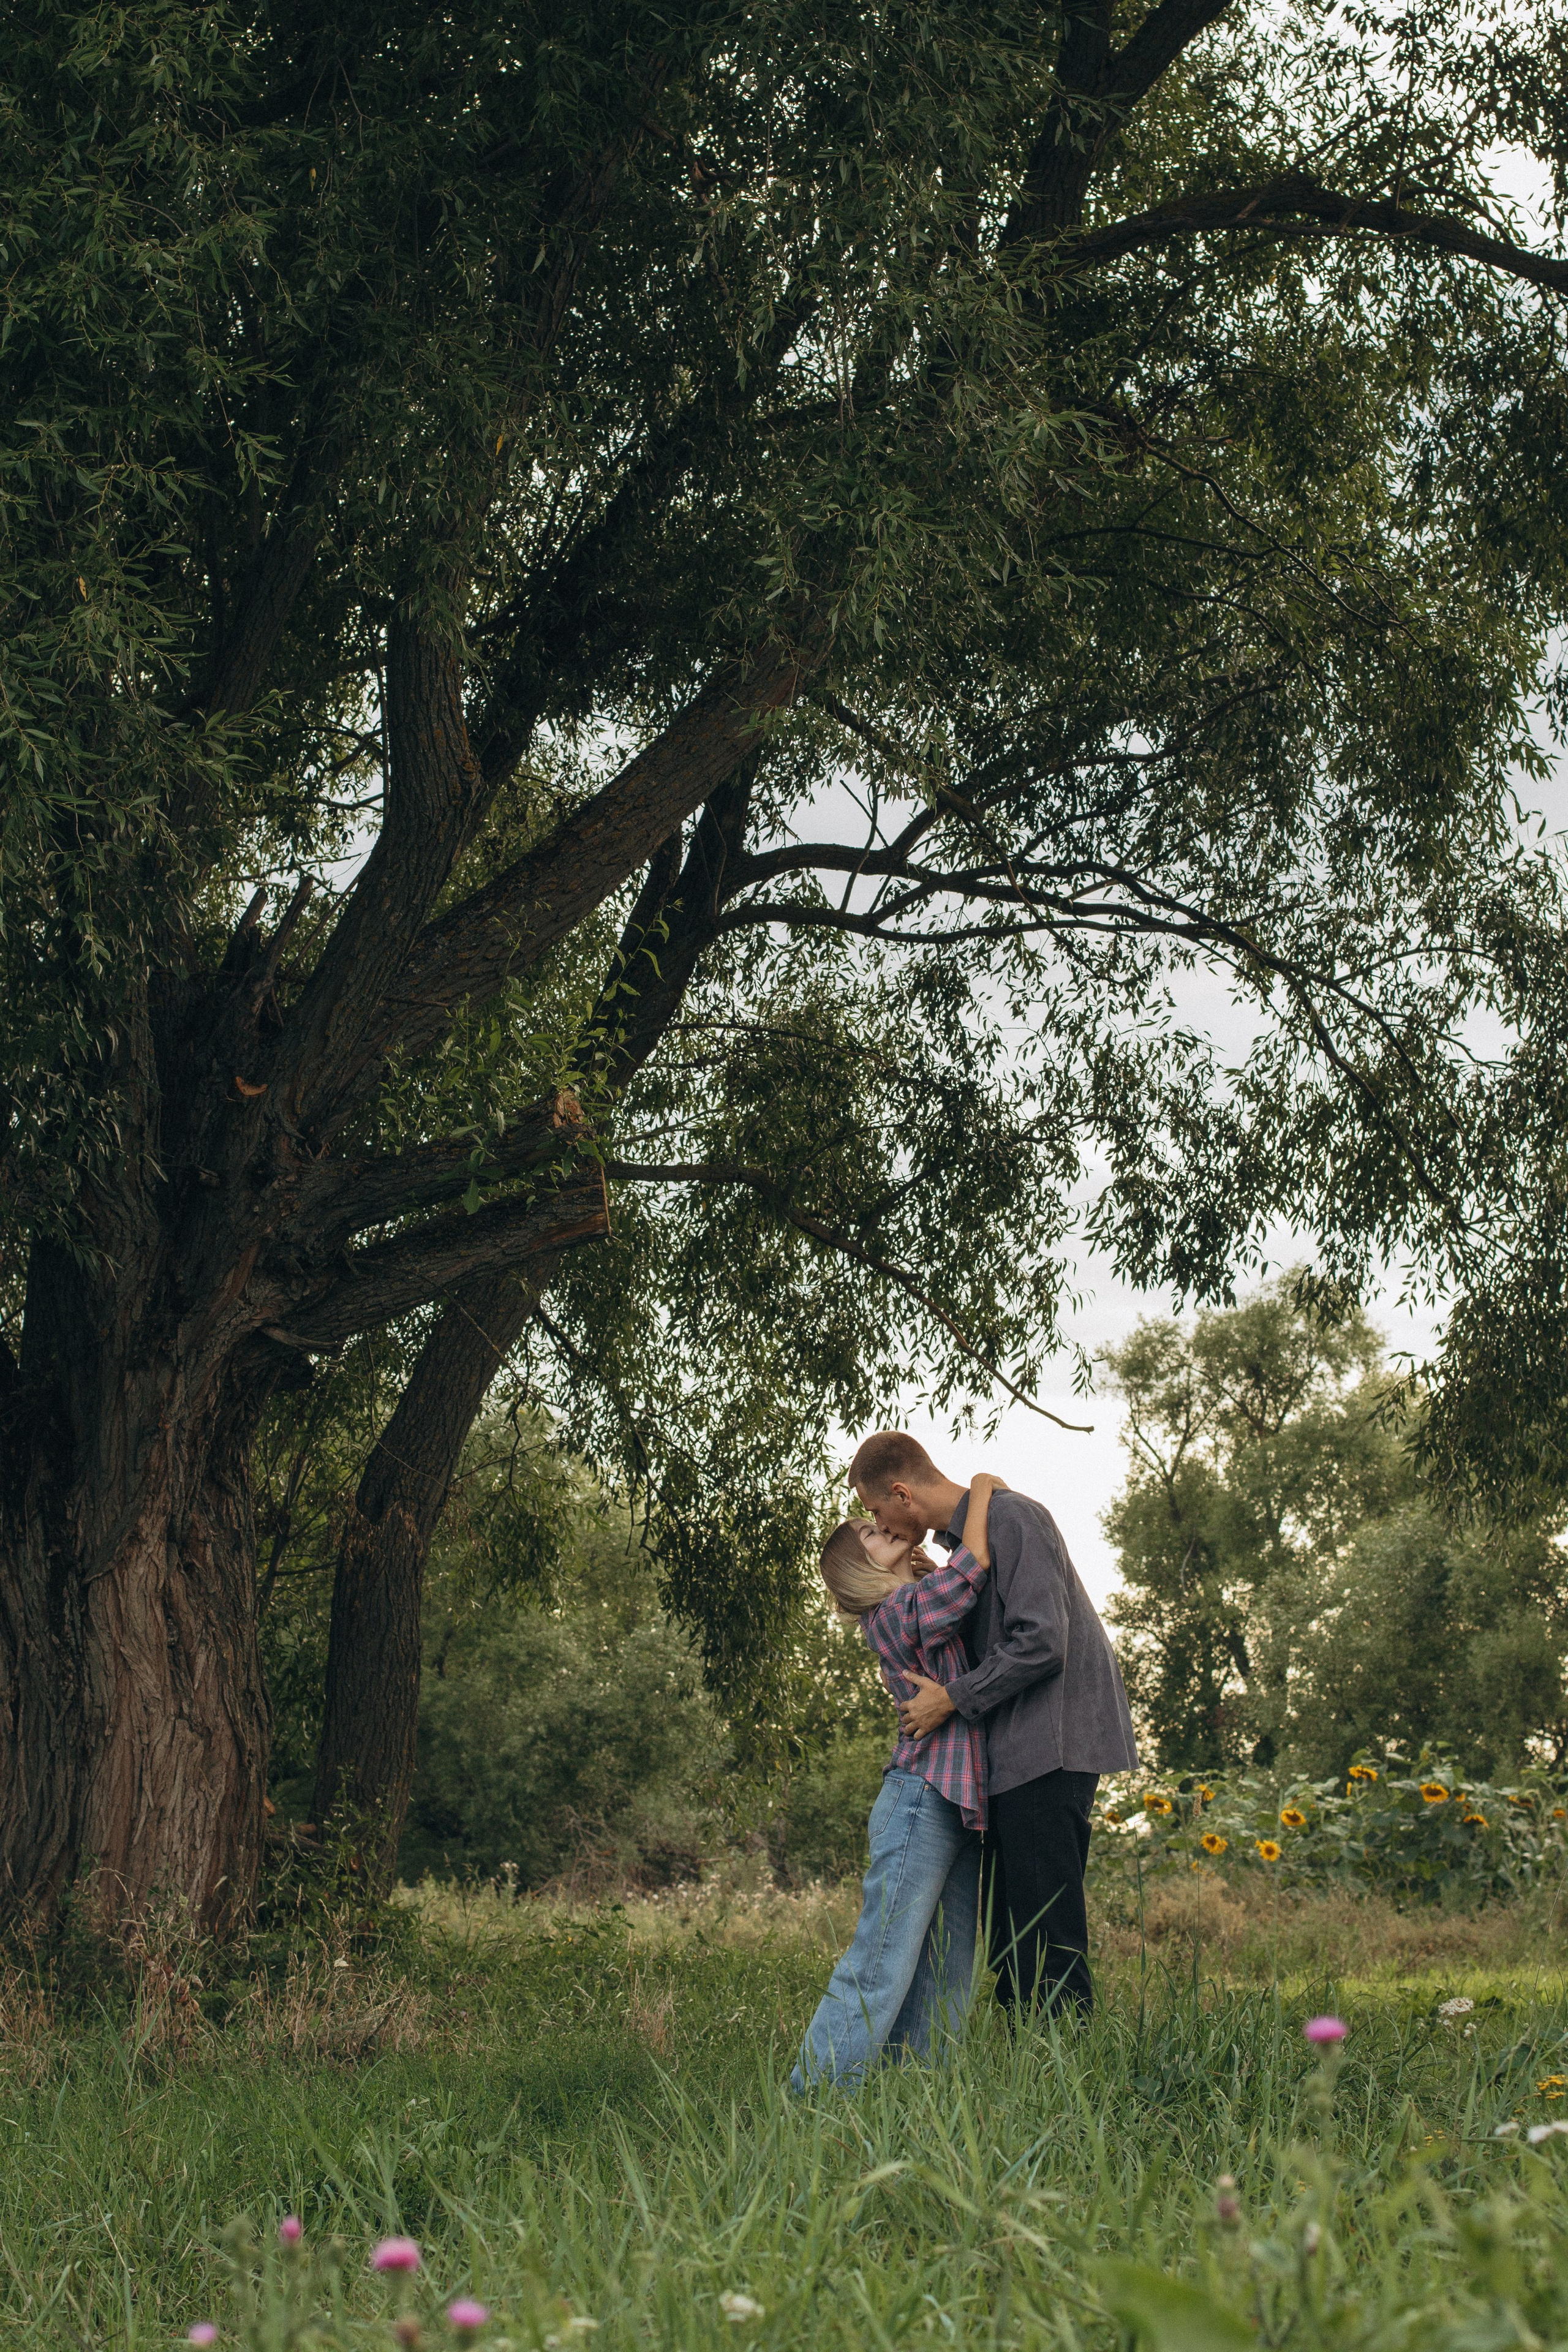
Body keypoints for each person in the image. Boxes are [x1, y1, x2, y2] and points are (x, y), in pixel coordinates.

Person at [849, 1431, 1139, 2022]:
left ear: (902, 1493)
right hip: (1009, 1755)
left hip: (1049, 1745)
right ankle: (1024, 2070)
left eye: (877, 1512)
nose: (879, 1522)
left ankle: (1066, 2072)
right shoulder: (965, 1548)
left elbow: (1042, 1641)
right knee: (1011, 1930)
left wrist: (951, 1700)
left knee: (1045, 1928)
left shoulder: (1013, 1519)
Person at [790, 1475, 1003, 2092]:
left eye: (875, 1523)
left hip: (959, 1805)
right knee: (881, 1961)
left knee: (948, 1973)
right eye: (868, 1536)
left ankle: (911, 2102)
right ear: (858, 1570)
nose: (878, 1527)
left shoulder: (915, 1596)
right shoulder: (888, 1616)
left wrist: (911, 1550)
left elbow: (946, 1580)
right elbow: (969, 1573)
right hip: (919, 1802)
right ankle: (814, 2101)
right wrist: (983, 1489)